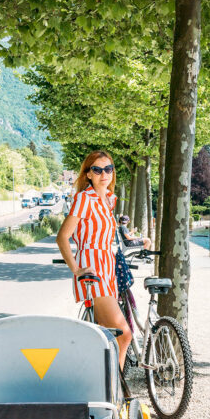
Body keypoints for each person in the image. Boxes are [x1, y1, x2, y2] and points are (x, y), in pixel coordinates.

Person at [56, 150, 132, 370]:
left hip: (108, 266)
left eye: (108, 168)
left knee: (104, 337)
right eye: (97, 170)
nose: (104, 174)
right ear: (88, 174)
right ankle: (115, 391)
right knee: (123, 334)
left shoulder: (109, 200)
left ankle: (102, 386)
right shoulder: (84, 198)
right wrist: (76, 269)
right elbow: (63, 237)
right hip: (93, 268)